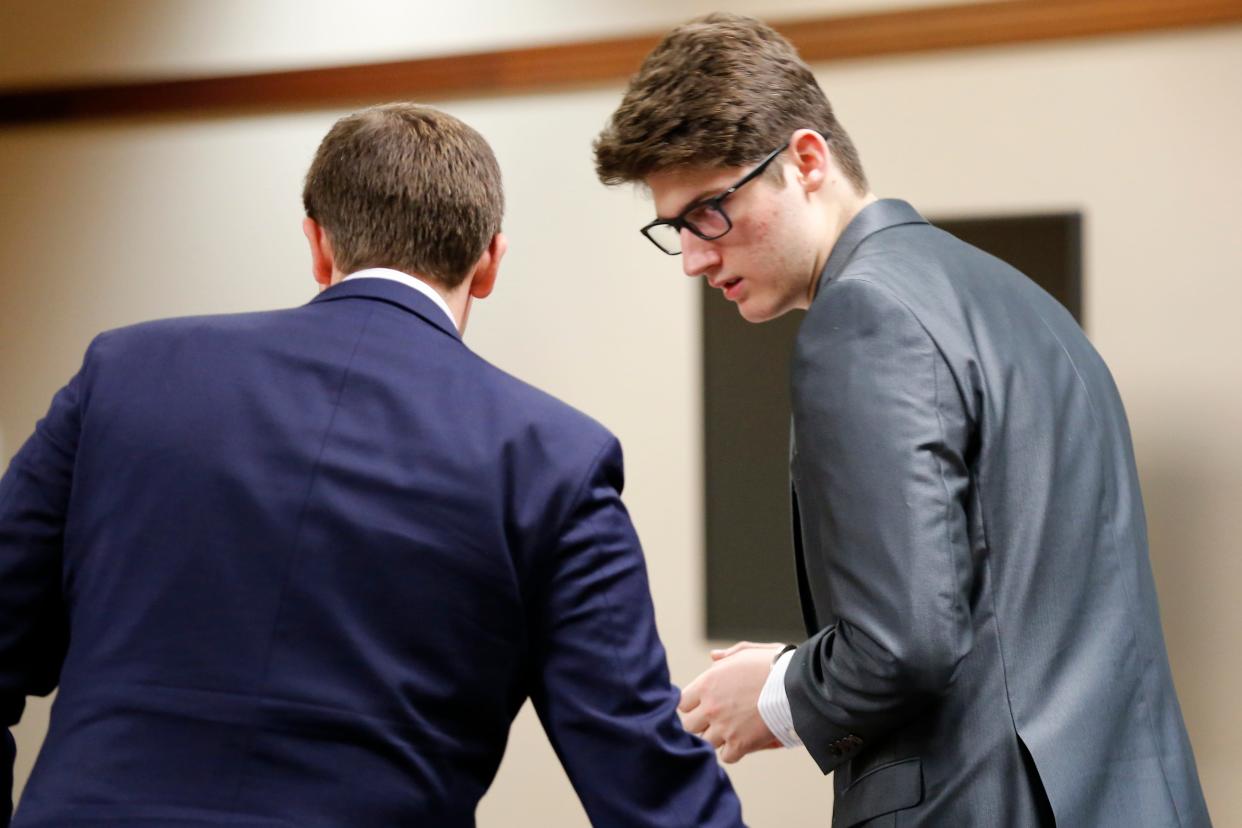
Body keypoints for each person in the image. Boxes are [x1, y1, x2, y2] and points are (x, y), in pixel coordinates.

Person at [0, 102, 743, 828]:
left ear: (317, 244)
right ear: (488, 262)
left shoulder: (127, 373)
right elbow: (641, 772)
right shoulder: (552, 457)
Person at [594, 13, 1210, 827]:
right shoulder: (1024, 303)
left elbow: (905, 645)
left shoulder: (862, 316)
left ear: (807, 161)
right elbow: (989, 610)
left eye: (711, 211)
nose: (698, 257)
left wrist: (775, 695)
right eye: (676, 229)